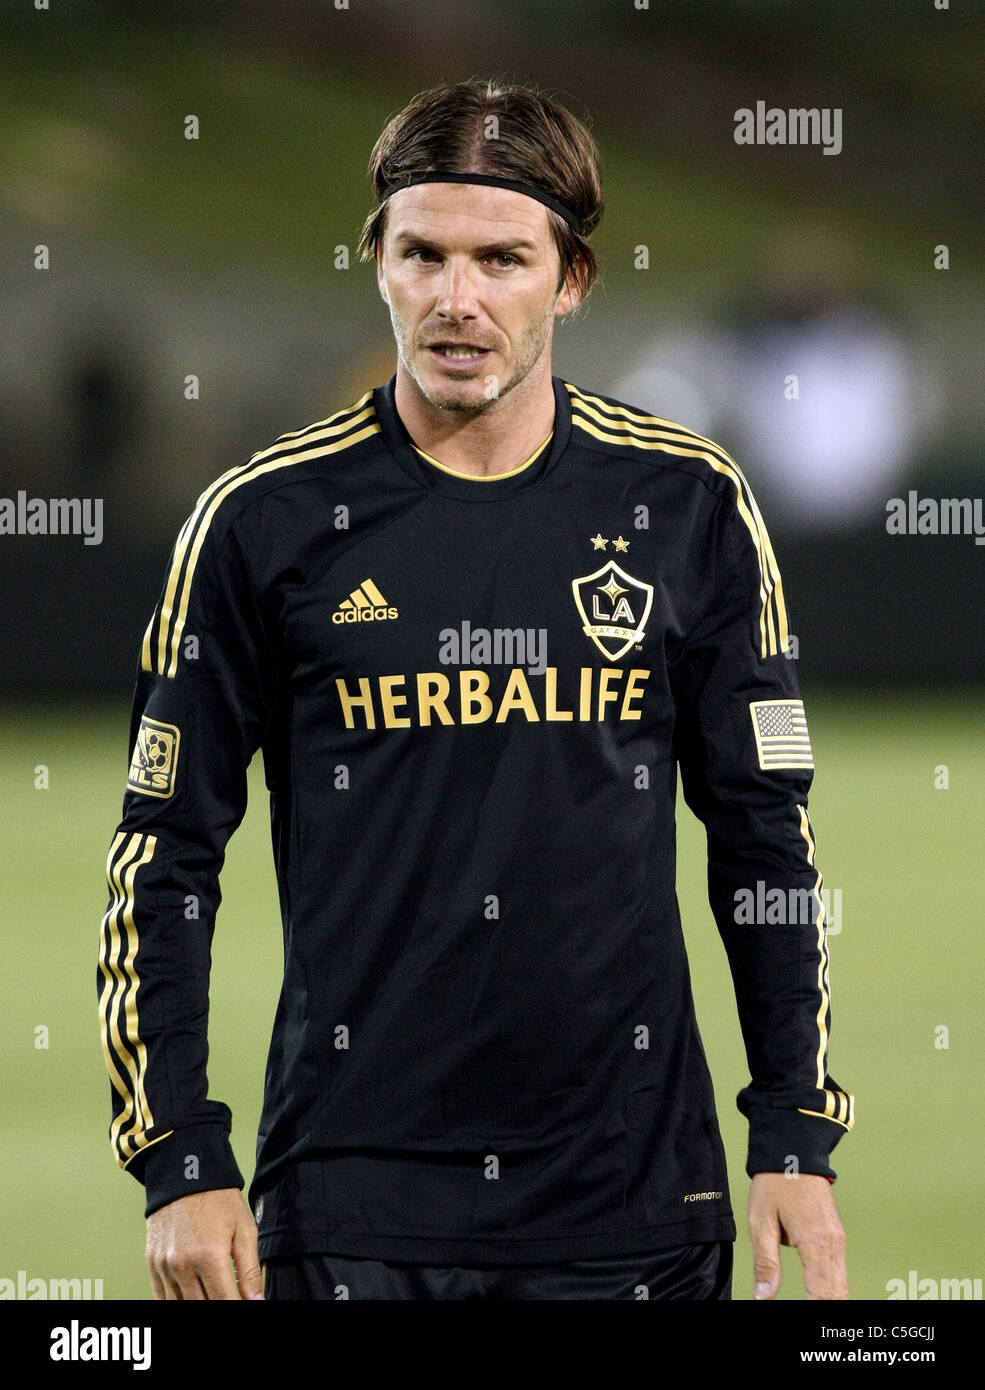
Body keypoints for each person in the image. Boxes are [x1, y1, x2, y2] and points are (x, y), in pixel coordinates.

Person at [98, 77, 853, 1301]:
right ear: (376, 263)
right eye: (424, 254)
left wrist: (793, 1128)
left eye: (501, 258)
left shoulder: (686, 505)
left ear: (571, 281)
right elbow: (162, 855)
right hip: (352, 1210)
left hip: (633, 1208)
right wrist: (177, 1154)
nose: (457, 300)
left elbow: (767, 844)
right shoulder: (259, 522)